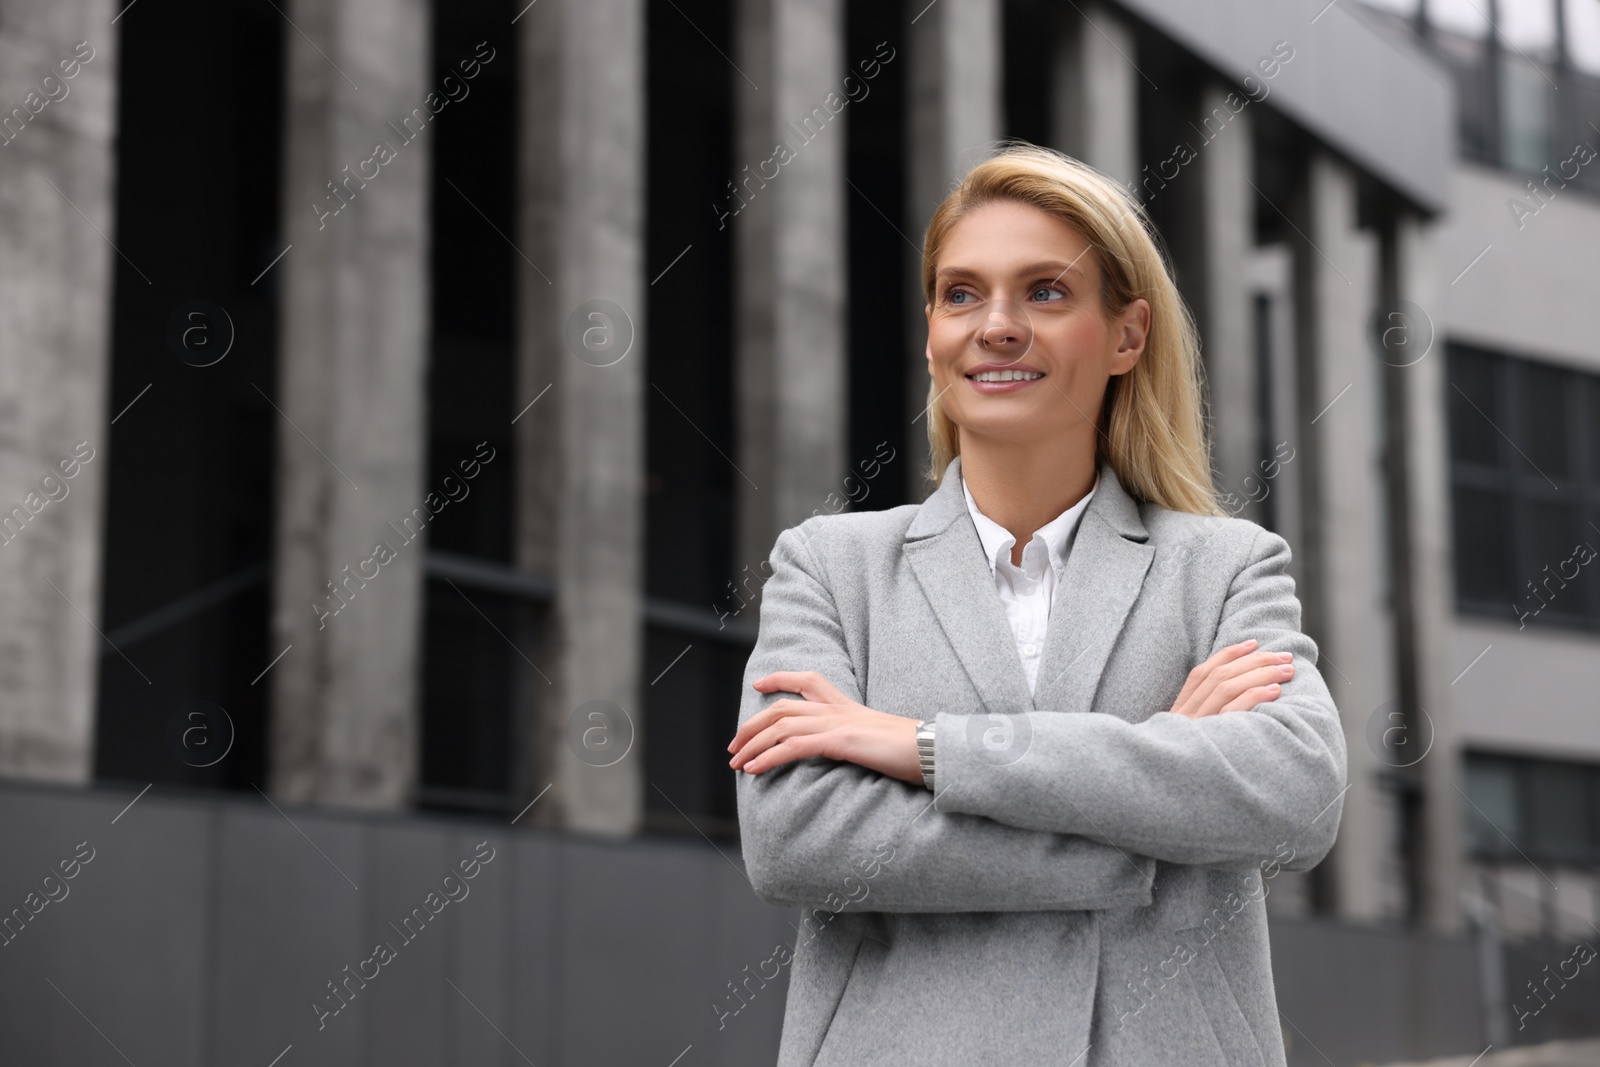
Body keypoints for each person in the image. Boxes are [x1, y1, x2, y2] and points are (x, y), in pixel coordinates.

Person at [726, 142, 1345, 1066]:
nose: (998, 325)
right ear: (932, 326)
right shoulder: (829, 566)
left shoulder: (1224, 568)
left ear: (1127, 335)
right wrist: (1154, 813)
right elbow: (797, 840)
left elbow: (1296, 797)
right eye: (962, 293)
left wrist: (925, 748)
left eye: (1046, 292)